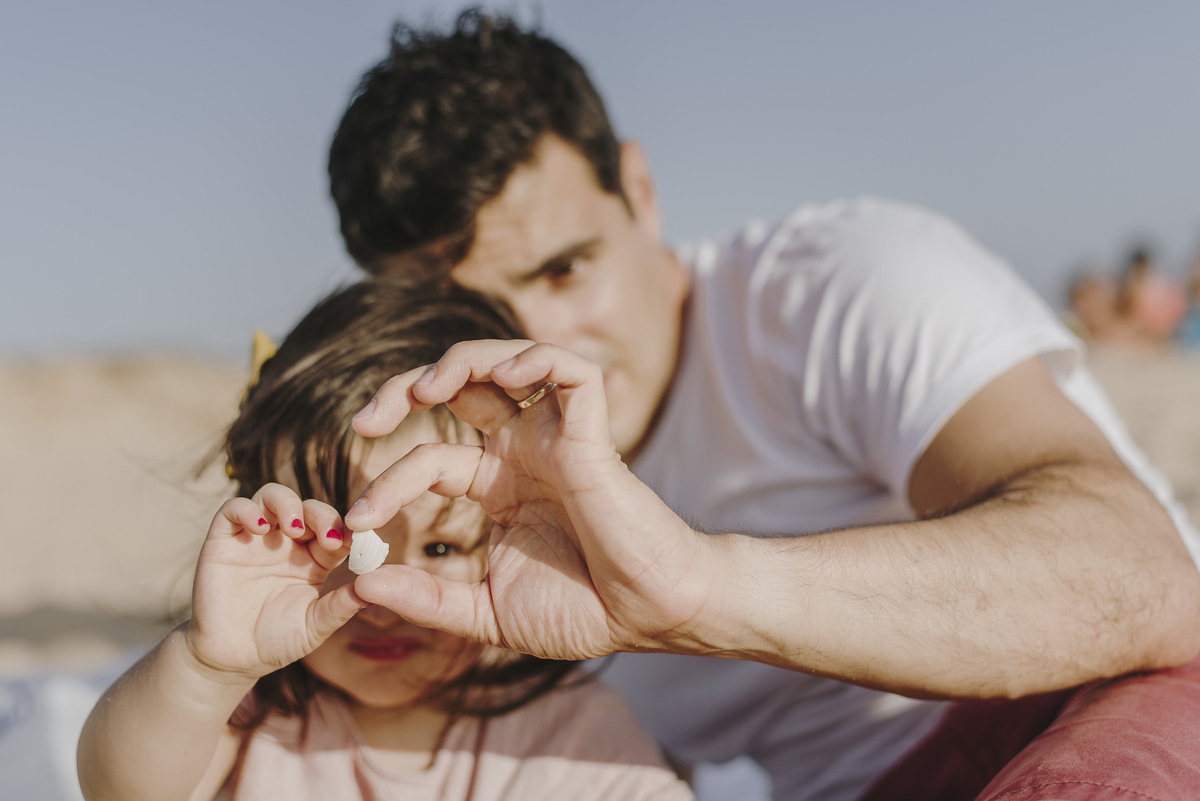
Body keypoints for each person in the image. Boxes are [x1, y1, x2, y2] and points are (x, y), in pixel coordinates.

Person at [328, 10, 1200, 800]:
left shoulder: (832, 287)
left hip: (1110, 701)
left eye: (565, 269)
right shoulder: (446, 492)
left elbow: (1146, 578)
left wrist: (696, 588)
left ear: (639, 189)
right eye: (474, 312)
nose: (538, 342)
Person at [75, 279, 694, 801]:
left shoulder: (574, 735)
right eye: (340, 544)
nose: (382, 596)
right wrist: (209, 667)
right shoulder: (248, 714)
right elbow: (120, 790)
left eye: (442, 548)